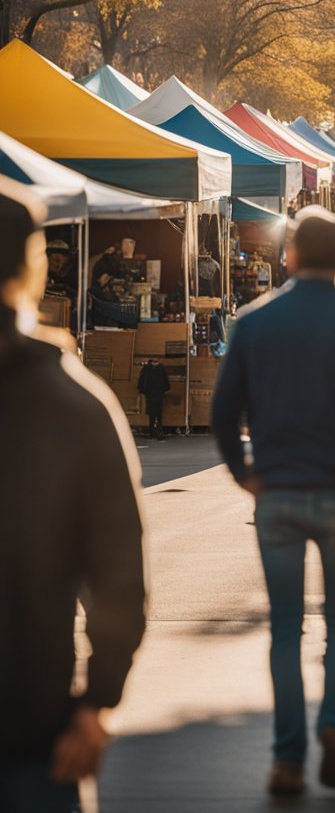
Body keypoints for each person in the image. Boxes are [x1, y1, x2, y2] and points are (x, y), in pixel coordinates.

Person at [212, 206, 335, 796]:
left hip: (276, 489)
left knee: (285, 629)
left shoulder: (252, 321)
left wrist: (244, 472)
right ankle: (334, 723)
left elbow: (225, 412)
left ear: (289, 254)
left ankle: (288, 755)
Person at [0, 177, 146, 813]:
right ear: (32, 267)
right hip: (31, 720)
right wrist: (98, 699)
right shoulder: (74, 402)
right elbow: (118, 573)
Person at [138, 357, 170, 440]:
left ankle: (152, 432)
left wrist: (143, 390)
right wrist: (165, 389)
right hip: (159, 393)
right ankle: (159, 431)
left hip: (150, 393)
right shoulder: (161, 368)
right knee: (159, 413)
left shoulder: (147, 369)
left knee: (151, 414)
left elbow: (142, 381)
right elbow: (166, 382)